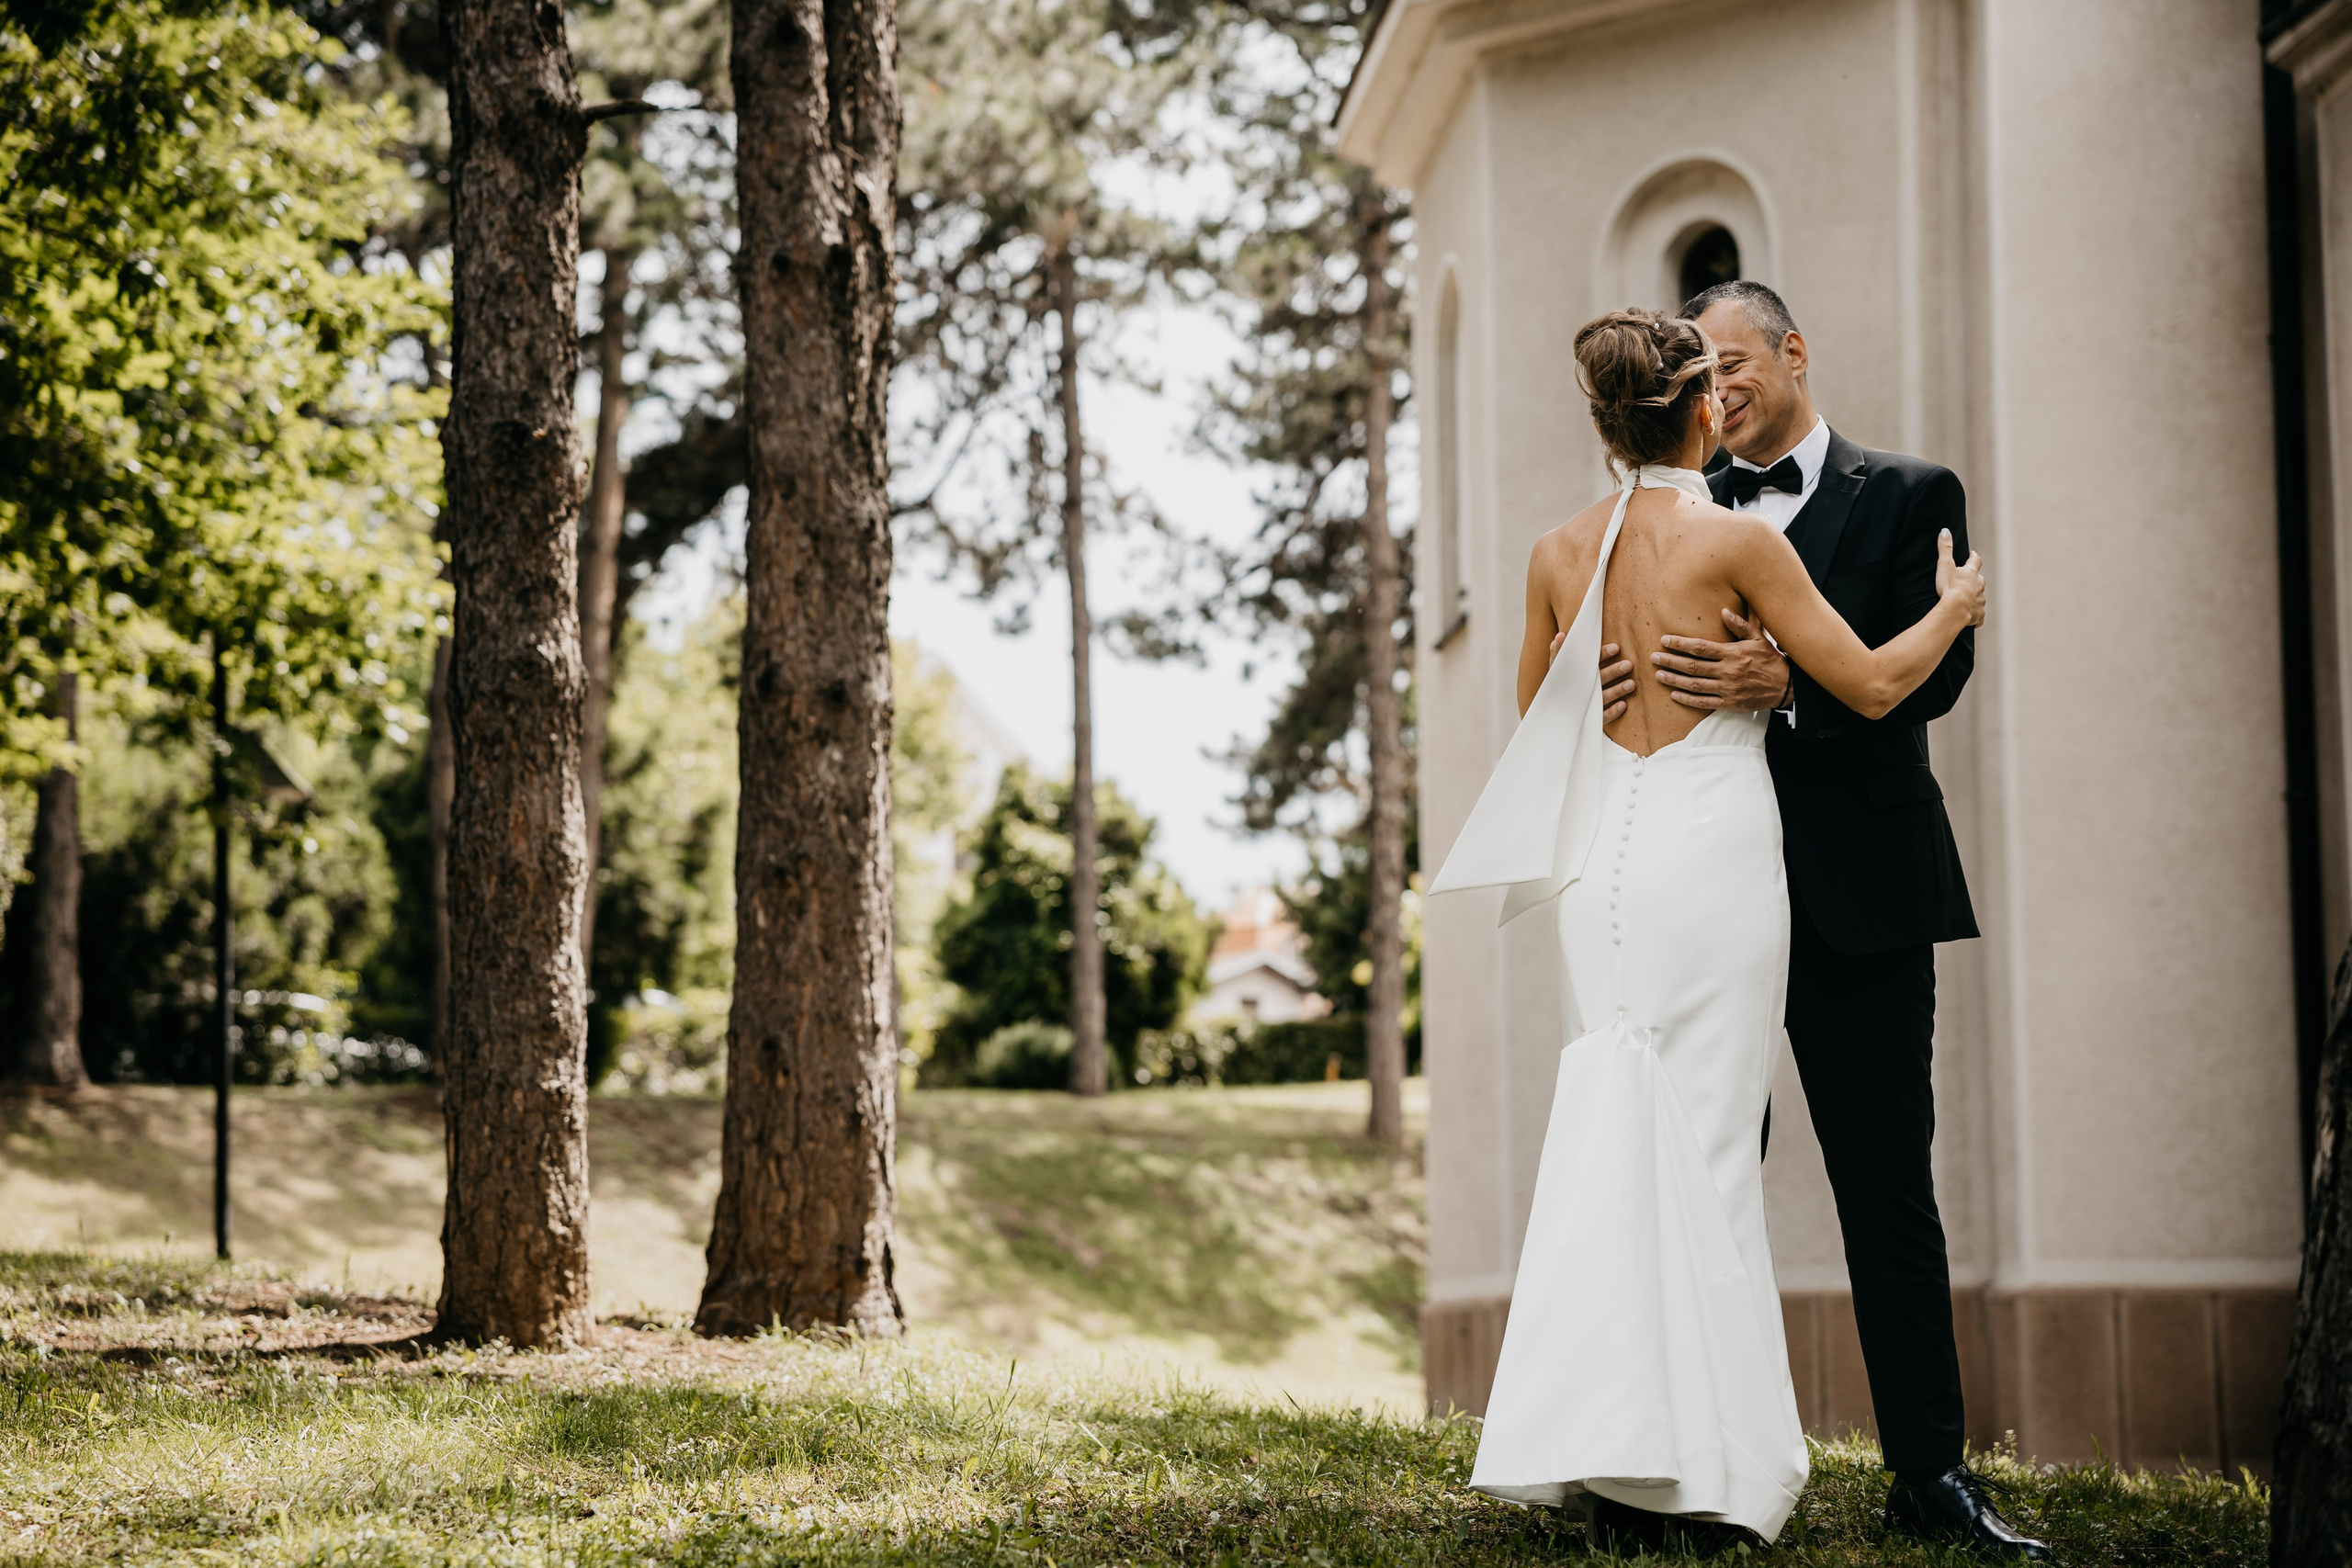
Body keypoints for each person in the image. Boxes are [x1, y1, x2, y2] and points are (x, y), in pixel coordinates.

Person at [1427, 307, 1987, 1551]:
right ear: (1693, 410)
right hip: (1711, 862)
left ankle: (1613, 1457)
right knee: (1712, 1153)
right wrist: (1957, 608)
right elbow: (1880, 682)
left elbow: (1539, 722)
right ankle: (1706, 1475)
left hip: (1607, 876)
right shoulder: (1733, 539)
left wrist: (1596, 689)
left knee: (1620, 1135)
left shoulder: (1555, 551)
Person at [1610, 280, 2039, 1561]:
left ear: (1794, 353)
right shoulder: (1667, 521)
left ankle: (1930, 1475)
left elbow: (1939, 674)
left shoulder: (1912, 494)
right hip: (1709, 903)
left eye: (1737, 365)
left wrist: (1786, 681)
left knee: (1886, 1189)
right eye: (1703, 376)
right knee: (1695, 1181)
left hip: (1864, 897)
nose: (1721, 390)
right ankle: (1677, 1464)